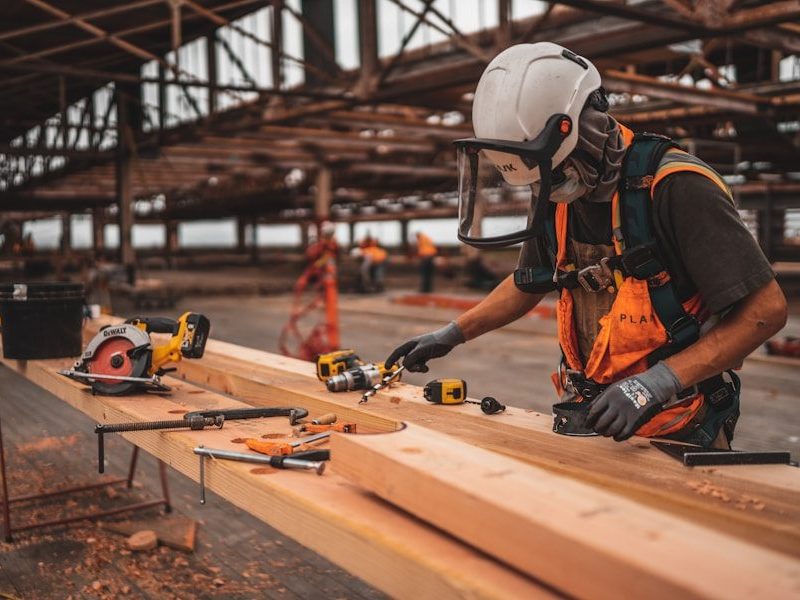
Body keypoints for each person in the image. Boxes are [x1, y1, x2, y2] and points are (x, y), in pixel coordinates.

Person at [385, 42, 786, 449]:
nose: (549, 187)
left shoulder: (675, 186)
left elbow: (766, 311)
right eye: (542, 178)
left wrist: (657, 383)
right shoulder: (554, 191)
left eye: (555, 172)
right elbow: (530, 282)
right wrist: (452, 333)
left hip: (679, 419)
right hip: (589, 413)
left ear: (586, 129)